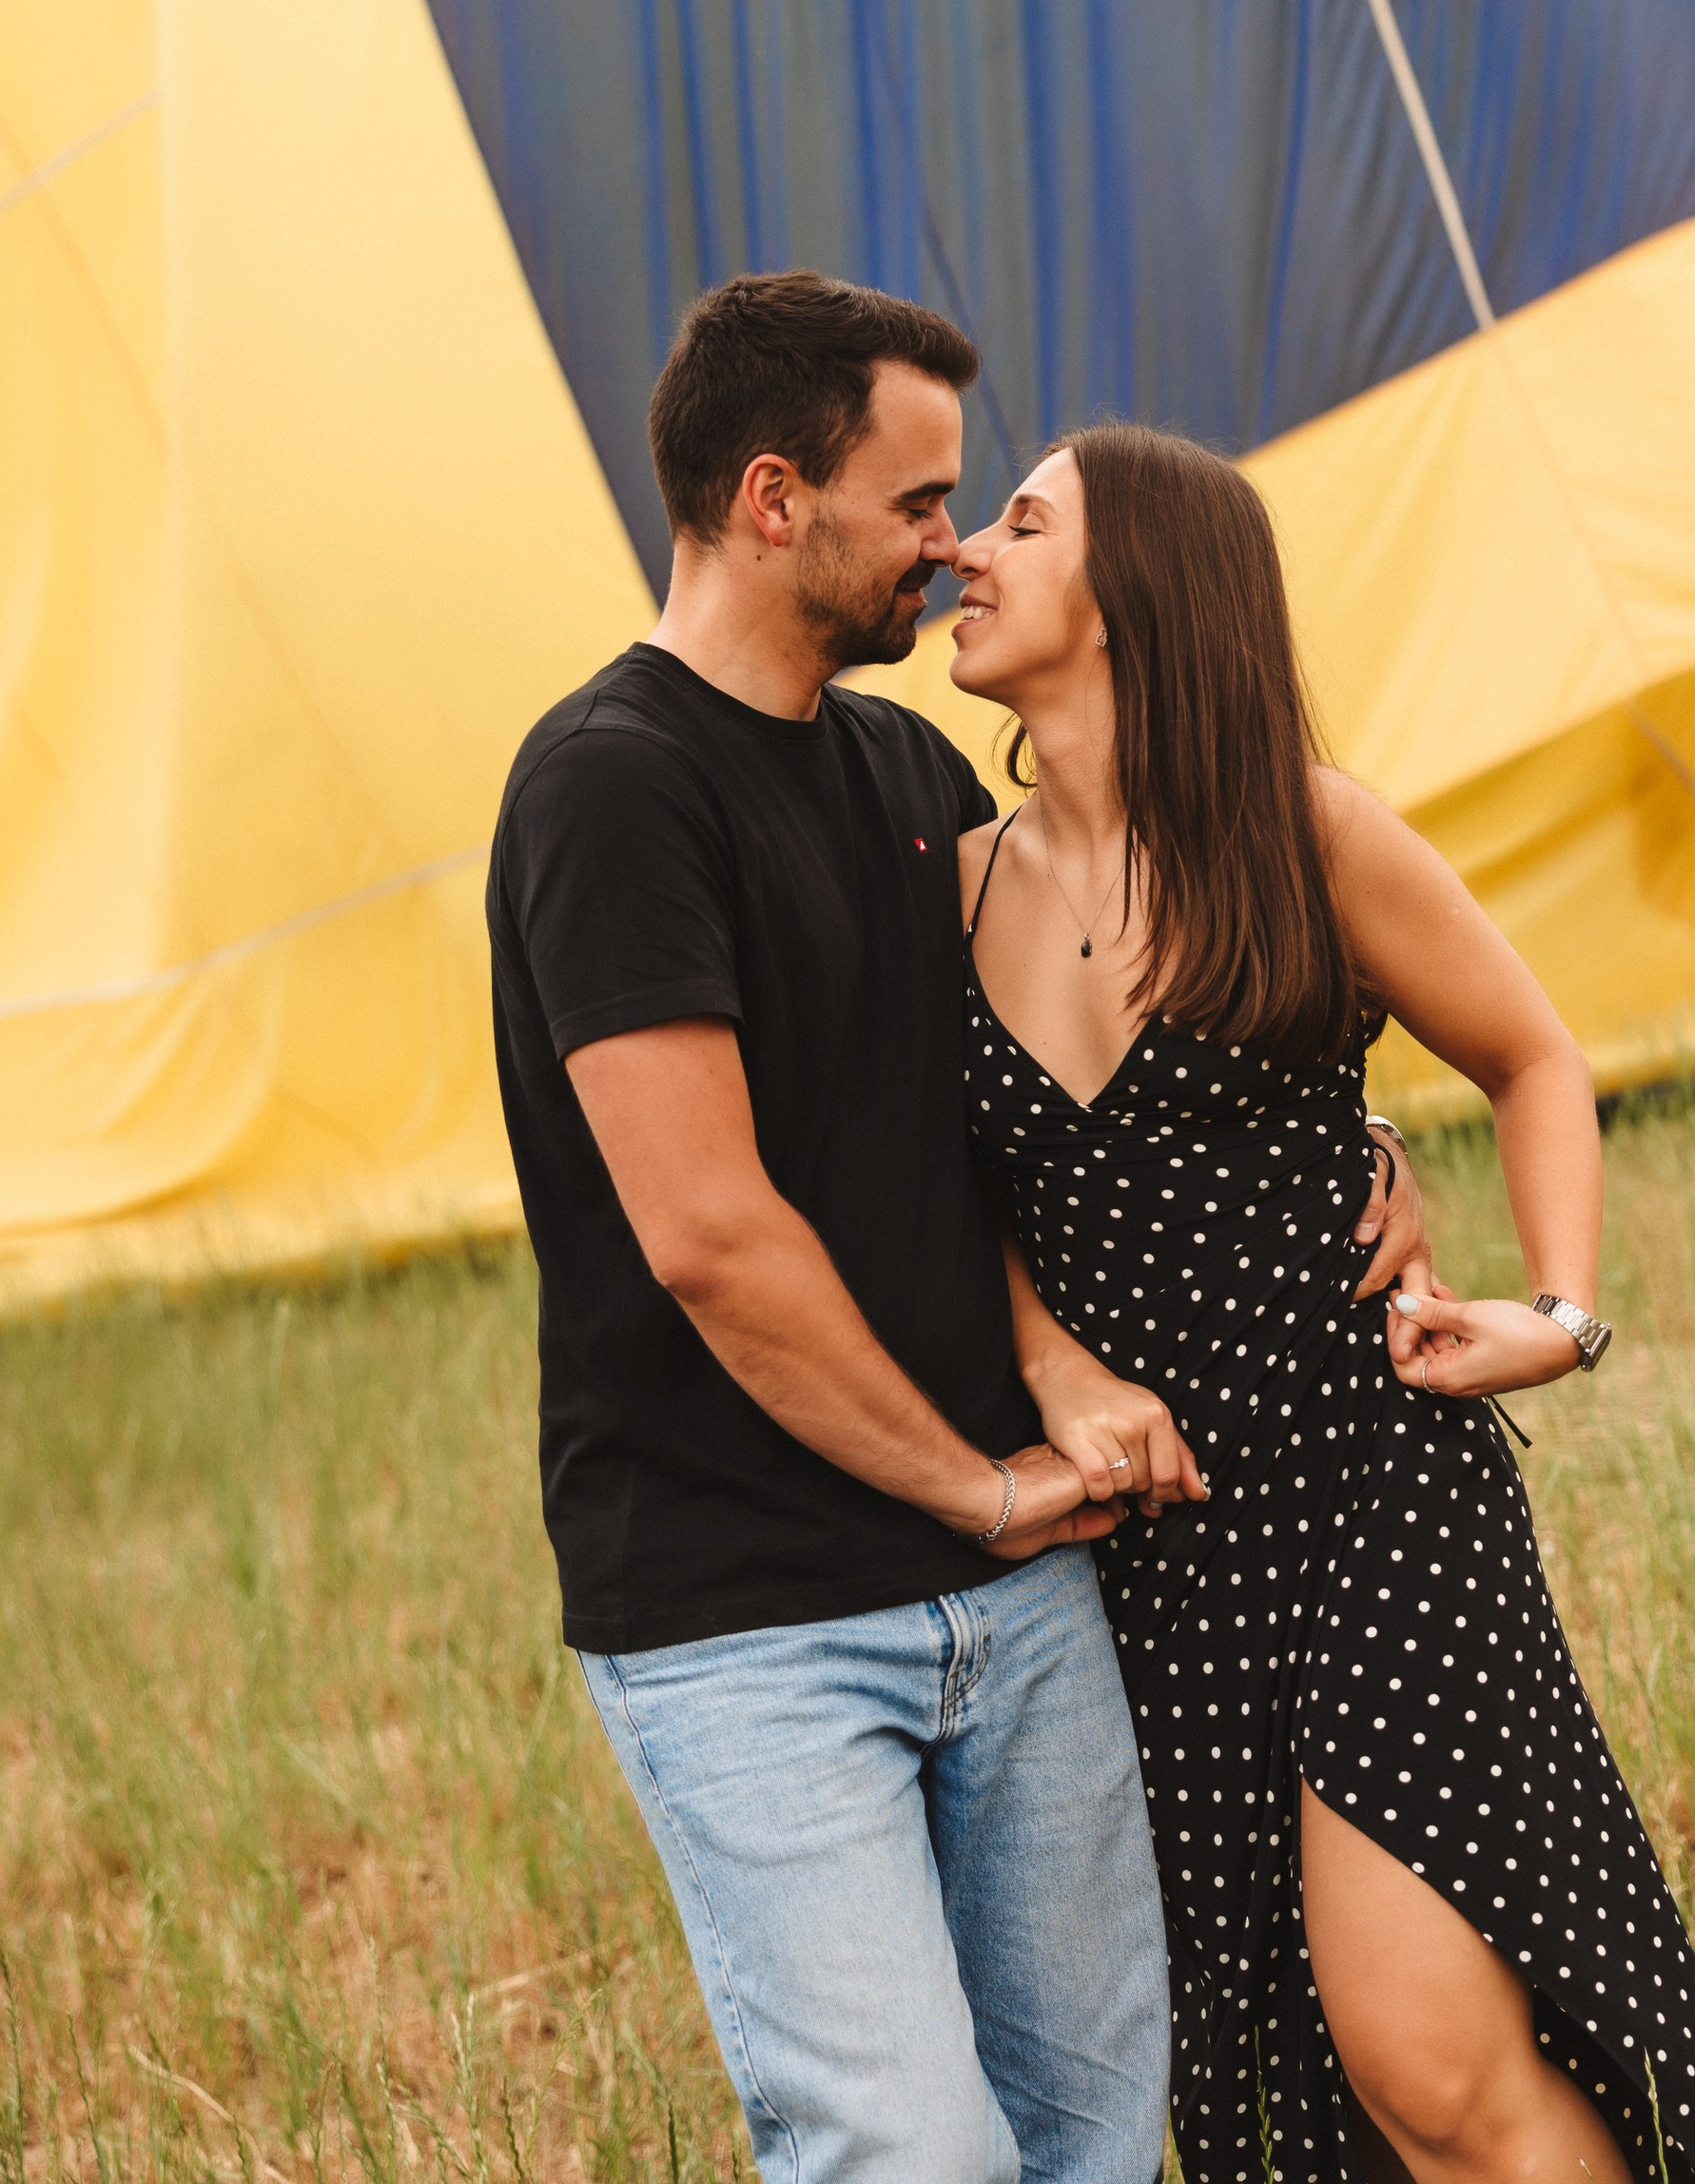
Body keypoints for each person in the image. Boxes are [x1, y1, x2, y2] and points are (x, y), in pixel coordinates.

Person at [486, 273, 1427, 2183]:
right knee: (909, 2152)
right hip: (751, 1620)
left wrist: (1336, 1143)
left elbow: (1028, 1124)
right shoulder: (611, 790)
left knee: (1086, 2134)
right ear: (773, 499)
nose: (948, 545)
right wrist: (972, 1492)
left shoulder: (909, 779)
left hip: (1015, 1604)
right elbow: (709, 1237)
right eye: (915, 505)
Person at [950, 424, 1695, 2184]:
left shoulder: (1303, 834)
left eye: (1022, 522)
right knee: (1299, 2090)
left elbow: (1533, 1053)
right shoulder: (951, 894)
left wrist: (1563, 1311)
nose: (968, 552)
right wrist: (1045, 1345)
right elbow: (944, 1192)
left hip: (1373, 1492)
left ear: (1133, 595)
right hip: (1157, 1572)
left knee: (1434, 2062)